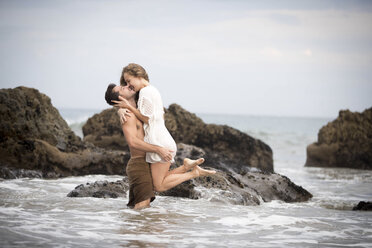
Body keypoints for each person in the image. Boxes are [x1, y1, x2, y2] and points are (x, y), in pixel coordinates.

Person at [105, 83, 214, 209]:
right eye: (121, 89)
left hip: (149, 160)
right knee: (142, 206)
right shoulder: (127, 115)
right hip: (139, 164)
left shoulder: (141, 110)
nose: (125, 86)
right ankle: (192, 172)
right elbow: (133, 142)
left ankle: (187, 168)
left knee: (140, 204)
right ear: (119, 99)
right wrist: (158, 149)